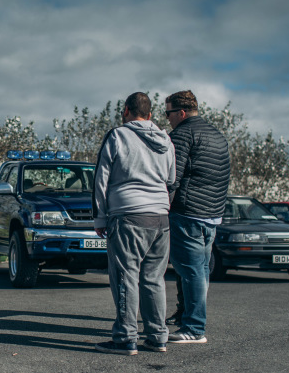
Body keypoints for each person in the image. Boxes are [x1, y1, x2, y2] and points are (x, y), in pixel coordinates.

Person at [92, 92, 176, 355]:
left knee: (126, 276)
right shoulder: (166, 140)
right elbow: (171, 180)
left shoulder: (118, 136)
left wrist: (100, 216)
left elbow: (101, 179)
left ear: (126, 110)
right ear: (150, 115)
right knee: (154, 278)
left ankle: (126, 338)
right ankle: (157, 336)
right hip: (161, 217)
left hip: (128, 215)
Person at [164, 90, 230, 344]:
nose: (167, 118)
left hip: (187, 212)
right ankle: (191, 321)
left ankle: (193, 328)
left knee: (191, 271)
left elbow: (172, 177)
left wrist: (161, 207)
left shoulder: (182, 134)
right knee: (200, 270)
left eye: (168, 112)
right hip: (211, 214)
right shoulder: (217, 135)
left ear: (180, 112)